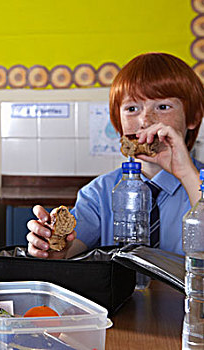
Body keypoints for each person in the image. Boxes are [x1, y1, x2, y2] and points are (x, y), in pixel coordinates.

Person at [27, 52, 204, 259]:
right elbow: (68, 249)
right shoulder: (99, 193)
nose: (145, 120)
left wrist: (186, 174)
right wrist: (52, 245)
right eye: (132, 108)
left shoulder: (195, 181)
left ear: (193, 117)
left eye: (163, 106)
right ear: (118, 124)